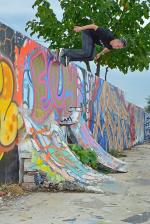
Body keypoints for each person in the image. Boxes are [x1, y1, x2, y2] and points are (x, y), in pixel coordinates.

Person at [60, 24, 127, 66]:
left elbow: (107, 49)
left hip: (92, 41)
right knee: (86, 52)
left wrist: (100, 54)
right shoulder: (106, 34)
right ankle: (64, 51)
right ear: (117, 40)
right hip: (88, 33)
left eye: (118, 48)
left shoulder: (111, 46)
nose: (116, 48)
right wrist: (80, 28)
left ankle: (69, 58)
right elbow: (93, 26)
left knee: (91, 57)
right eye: (118, 46)